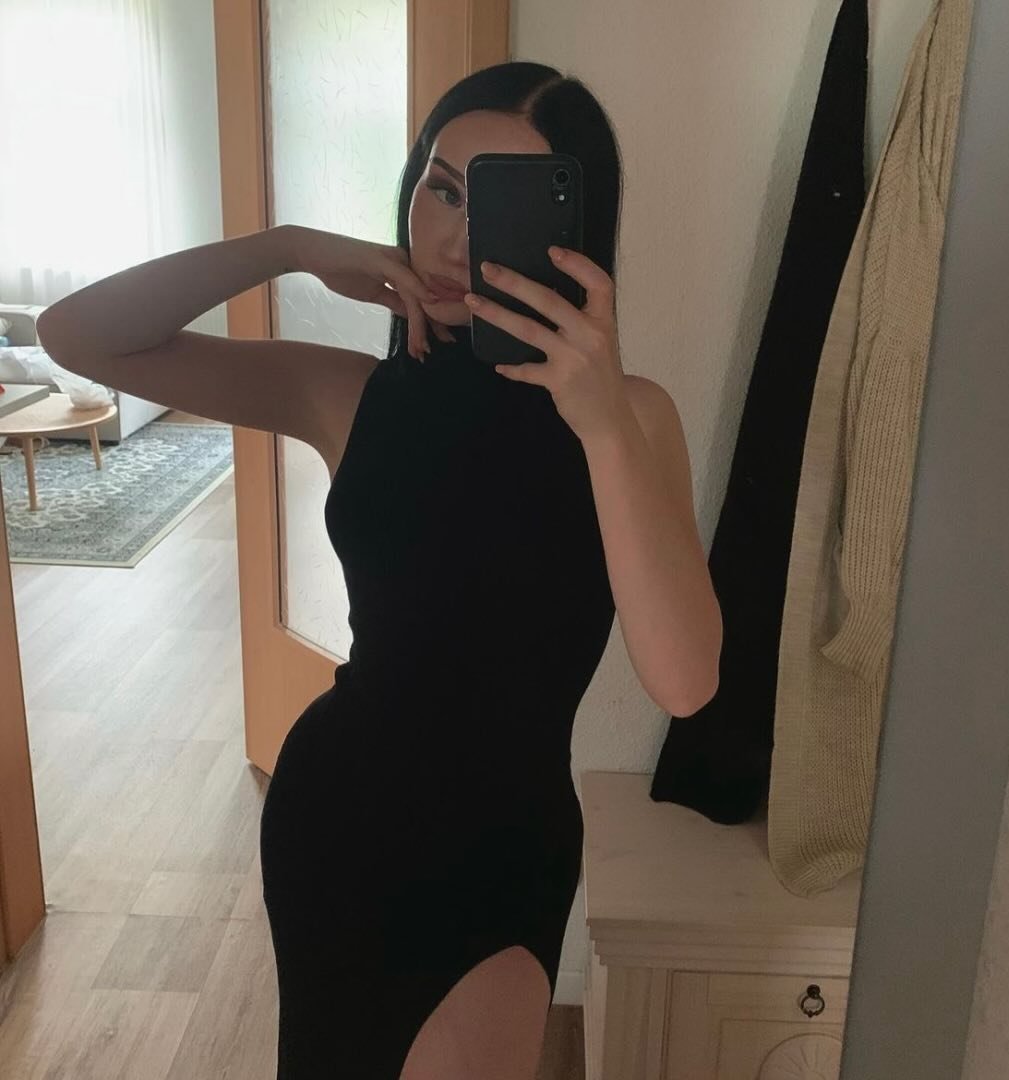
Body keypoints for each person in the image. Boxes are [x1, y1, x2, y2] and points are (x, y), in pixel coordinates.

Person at [38, 60, 722, 1080]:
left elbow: (687, 680)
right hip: (342, 820)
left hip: (506, 850)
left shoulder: (634, 419)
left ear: (567, 232)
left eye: (493, 203)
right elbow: (76, 335)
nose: (452, 236)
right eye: (441, 188)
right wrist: (290, 248)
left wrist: (600, 419)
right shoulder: (349, 394)